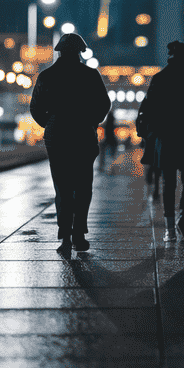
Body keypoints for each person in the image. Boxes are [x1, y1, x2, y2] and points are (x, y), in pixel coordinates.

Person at [30, 32, 111, 251]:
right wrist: (91, 122)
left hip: (56, 135)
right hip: (83, 134)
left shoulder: (47, 76)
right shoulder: (90, 75)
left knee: (63, 187)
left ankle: (65, 236)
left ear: (59, 51)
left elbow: (35, 108)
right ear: (80, 52)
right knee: (83, 186)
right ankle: (78, 235)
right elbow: (104, 104)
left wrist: (50, 123)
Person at [139, 41, 184, 242]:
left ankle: (169, 229)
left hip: (165, 139)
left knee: (168, 182)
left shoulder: (159, 80)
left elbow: (149, 109)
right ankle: (183, 217)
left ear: (168, 55)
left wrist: (159, 128)